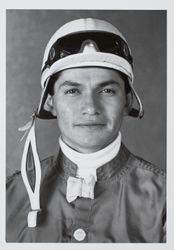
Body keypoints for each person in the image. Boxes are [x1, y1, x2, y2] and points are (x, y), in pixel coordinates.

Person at [6, 18, 166, 243]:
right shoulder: (8, 196)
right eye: (72, 91)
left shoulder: (165, 200)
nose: (90, 108)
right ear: (50, 102)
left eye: (107, 90)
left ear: (128, 101)